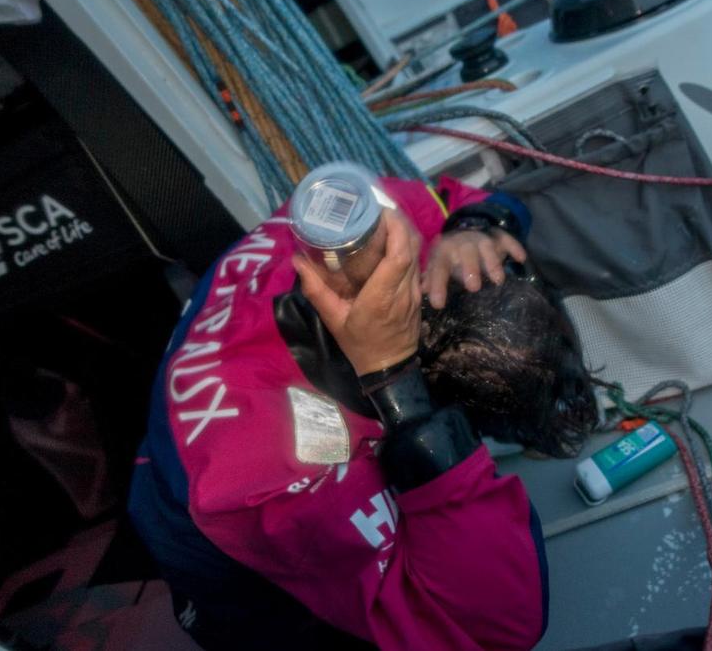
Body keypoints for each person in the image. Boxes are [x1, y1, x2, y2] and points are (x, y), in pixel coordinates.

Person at [128, 174, 598, 650]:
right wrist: (398, 387)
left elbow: (466, 196)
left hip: (212, 408)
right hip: (215, 546)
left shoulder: (363, 220)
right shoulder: (281, 479)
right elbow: (499, 627)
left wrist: (472, 227)